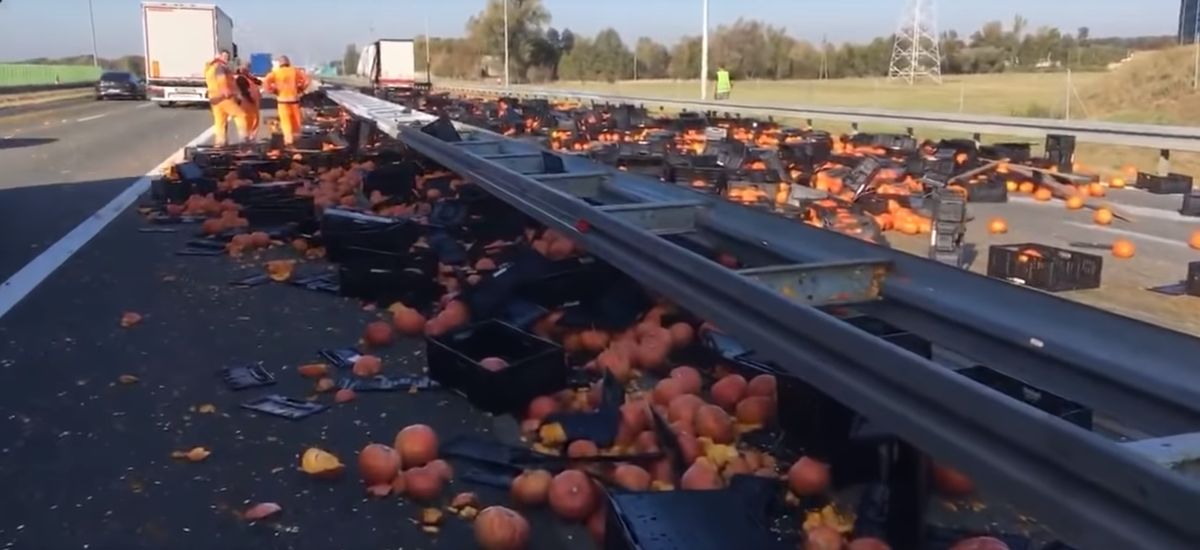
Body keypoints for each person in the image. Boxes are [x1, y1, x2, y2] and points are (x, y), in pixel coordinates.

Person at [263, 55, 310, 147]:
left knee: (286, 122)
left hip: (282, 102)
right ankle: (297, 141)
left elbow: (265, 82)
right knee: (296, 122)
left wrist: (272, 91)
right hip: (294, 101)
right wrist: (301, 89)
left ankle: (289, 142)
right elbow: (307, 80)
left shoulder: (276, 73)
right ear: (288, 62)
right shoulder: (294, 71)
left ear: (280, 63)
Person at [204, 50, 247, 147]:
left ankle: (220, 143)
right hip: (224, 97)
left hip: (214, 99)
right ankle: (244, 139)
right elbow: (222, 82)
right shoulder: (221, 67)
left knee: (220, 121)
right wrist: (230, 94)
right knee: (240, 115)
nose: (226, 59)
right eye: (224, 56)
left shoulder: (209, 68)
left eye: (227, 57)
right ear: (219, 56)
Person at [234, 61, 263, 141]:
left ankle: (250, 141)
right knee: (244, 127)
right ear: (241, 69)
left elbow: (259, 82)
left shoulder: (248, 78)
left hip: (252, 108)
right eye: (246, 67)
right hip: (245, 106)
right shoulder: (240, 78)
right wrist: (251, 99)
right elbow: (244, 92)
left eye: (248, 67)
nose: (247, 69)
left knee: (252, 125)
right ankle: (245, 143)